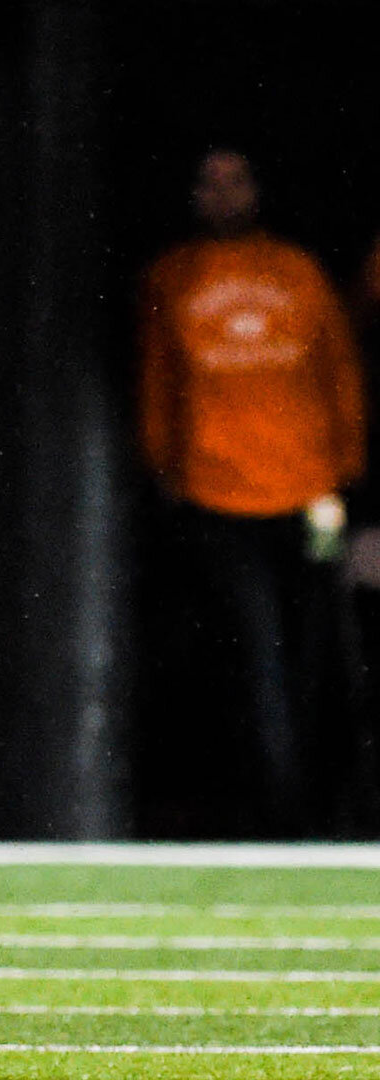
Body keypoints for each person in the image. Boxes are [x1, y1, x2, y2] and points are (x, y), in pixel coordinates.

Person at [137, 146, 366, 837]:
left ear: (257, 189)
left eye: (235, 179)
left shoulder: (297, 270)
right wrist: (166, 472)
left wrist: (346, 468)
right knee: (251, 656)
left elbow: (339, 371)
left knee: (320, 651)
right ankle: (276, 817)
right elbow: (157, 382)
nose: (222, 193)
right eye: (208, 181)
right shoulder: (173, 276)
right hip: (217, 495)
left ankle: (323, 808)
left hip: (311, 495)